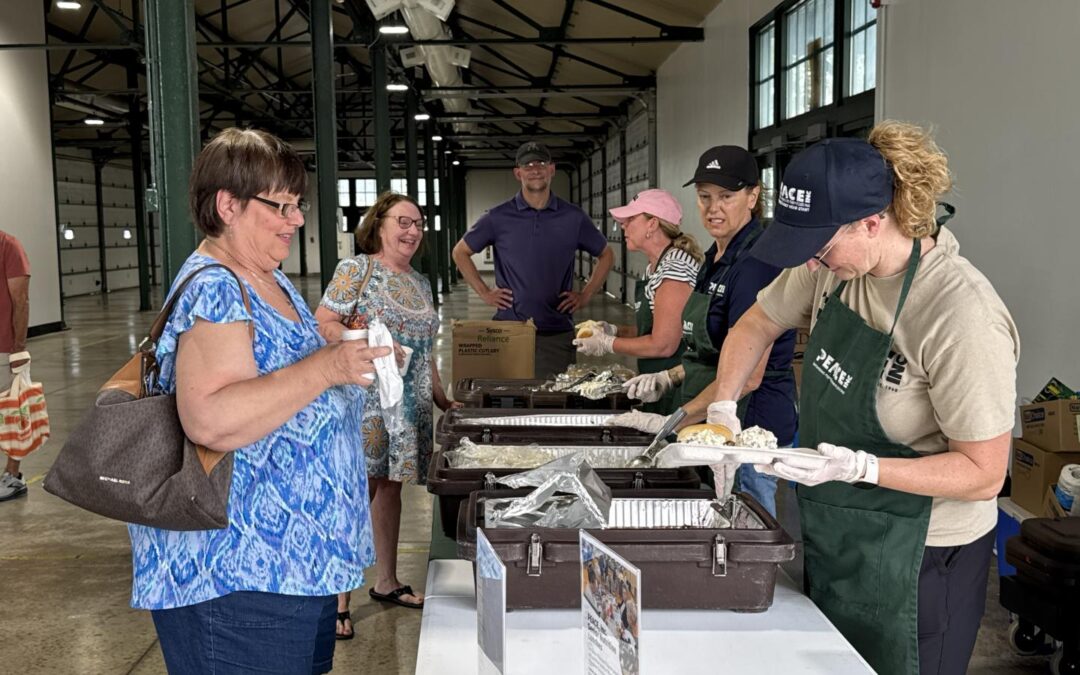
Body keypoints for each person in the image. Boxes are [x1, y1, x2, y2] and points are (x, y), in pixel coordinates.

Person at [706, 123, 1018, 675]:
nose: (813, 263)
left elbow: (984, 473)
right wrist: (723, 408)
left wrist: (862, 467)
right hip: (839, 533)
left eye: (821, 248)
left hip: (923, 555)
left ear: (875, 222)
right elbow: (755, 323)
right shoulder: (832, 270)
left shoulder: (959, 314)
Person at [128, 128, 390, 675]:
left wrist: (349, 352)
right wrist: (327, 367)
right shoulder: (215, 285)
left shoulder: (264, 276)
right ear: (229, 205)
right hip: (238, 576)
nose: (297, 220)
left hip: (295, 567)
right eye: (283, 206)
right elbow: (211, 419)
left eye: (299, 205)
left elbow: (283, 368)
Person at [612, 146, 798, 514]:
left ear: (753, 196)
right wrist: (670, 376)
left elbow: (748, 375)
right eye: (704, 197)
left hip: (746, 427)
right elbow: (711, 350)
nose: (714, 208)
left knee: (745, 533)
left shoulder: (755, 264)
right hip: (712, 418)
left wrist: (677, 418)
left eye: (726, 197)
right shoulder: (714, 259)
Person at [316, 191, 460, 638]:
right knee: (357, 489)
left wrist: (443, 399)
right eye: (403, 222)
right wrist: (367, 337)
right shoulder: (356, 270)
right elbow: (323, 324)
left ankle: (387, 581)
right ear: (378, 225)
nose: (413, 231)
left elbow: (426, 352)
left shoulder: (419, 282)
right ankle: (338, 599)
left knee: (391, 487)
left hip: (409, 405)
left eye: (418, 224)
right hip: (365, 401)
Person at [451, 141, 615, 378]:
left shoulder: (573, 217)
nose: (535, 169)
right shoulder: (497, 217)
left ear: (552, 170)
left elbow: (607, 254)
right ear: (518, 173)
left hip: (557, 331)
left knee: (554, 401)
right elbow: (460, 252)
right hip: (510, 329)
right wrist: (484, 292)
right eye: (527, 165)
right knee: (509, 401)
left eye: (541, 163)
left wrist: (586, 294)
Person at [573, 189, 702, 415]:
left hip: (677, 386)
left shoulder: (674, 270)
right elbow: (653, 328)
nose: (623, 225)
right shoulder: (655, 267)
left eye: (630, 219)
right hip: (657, 383)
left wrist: (608, 343)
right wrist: (615, 330)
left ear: (652, 224)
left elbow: (663, 344)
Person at [0, 230, 30, 502]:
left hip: (4, 348)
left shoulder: (8, 246)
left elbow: (20, 300)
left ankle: (13, 475)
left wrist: (18, 348)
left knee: (13, 413)